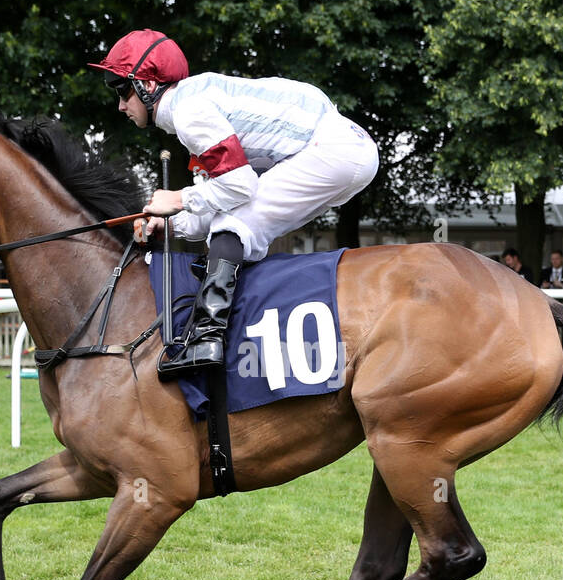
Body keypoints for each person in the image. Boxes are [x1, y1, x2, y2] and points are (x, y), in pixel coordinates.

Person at [89, 29, 379, 379]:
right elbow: (219, 198)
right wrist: (168, 223)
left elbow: (238, 187)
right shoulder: (194, 103)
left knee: (236, 224)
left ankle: (207, 339)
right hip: (343, 149)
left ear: (147, 86)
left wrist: (177, 198)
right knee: (230, 219)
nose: (120, 105)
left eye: (122, 90)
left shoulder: (190, 114)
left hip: (335, 150)